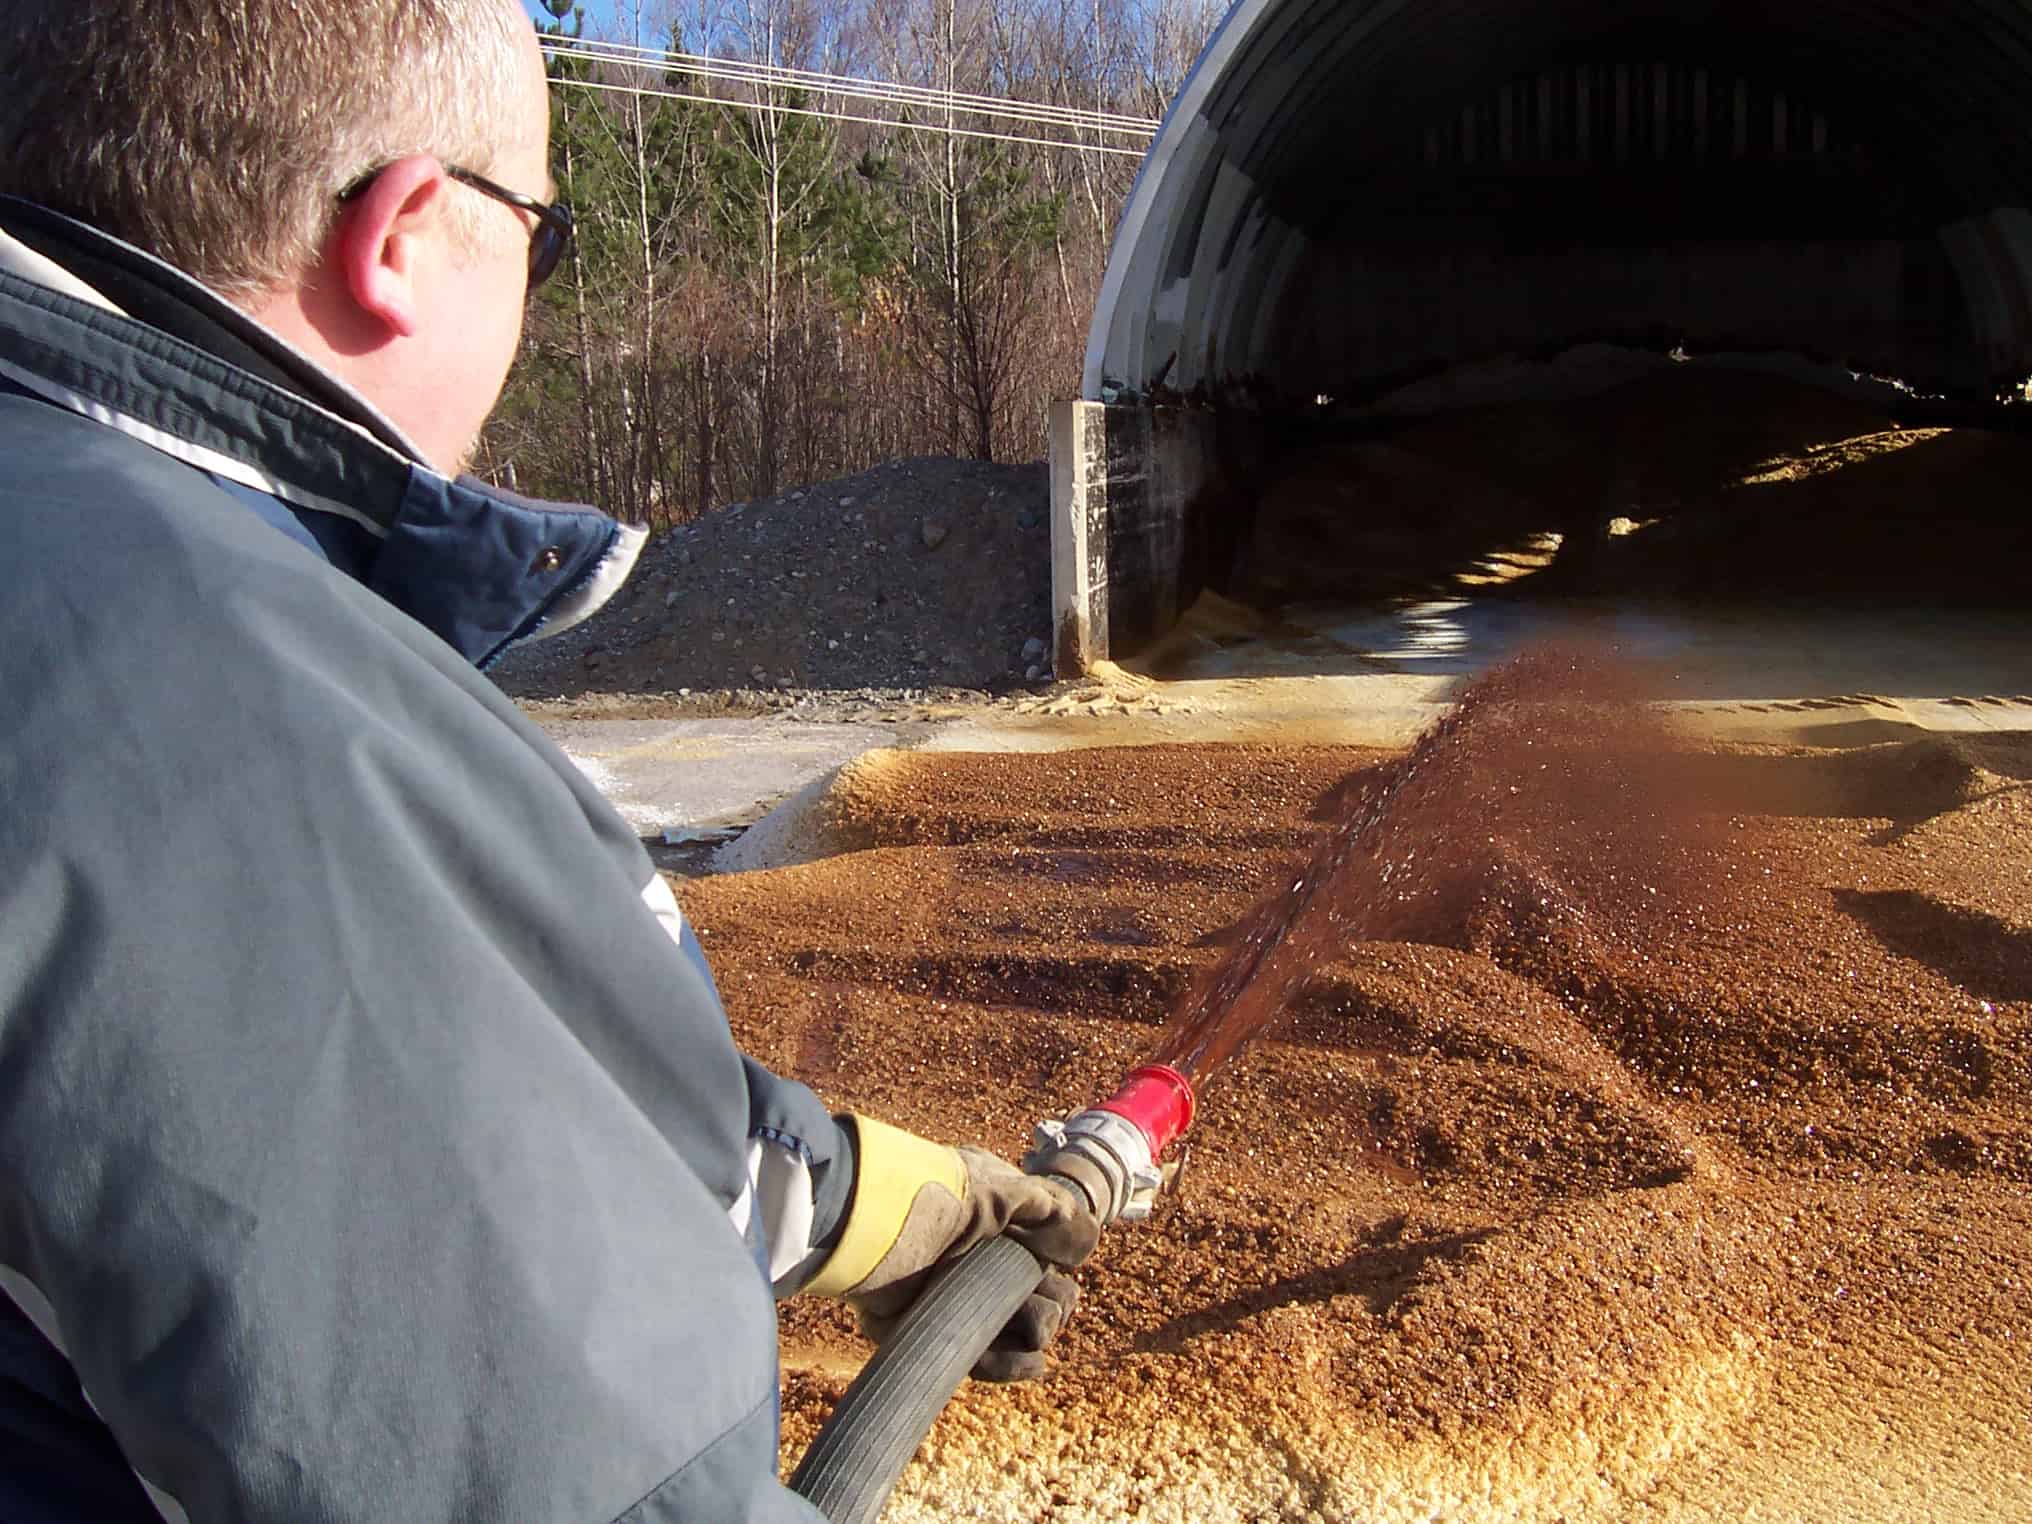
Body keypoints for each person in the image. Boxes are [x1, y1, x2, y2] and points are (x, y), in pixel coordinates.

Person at [0, 2, 1100, 1518]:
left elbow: (358, 1082)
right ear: (401, 231)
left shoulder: (71, 560)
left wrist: (853, 1199)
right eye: (544, 233)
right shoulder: (225, 696)